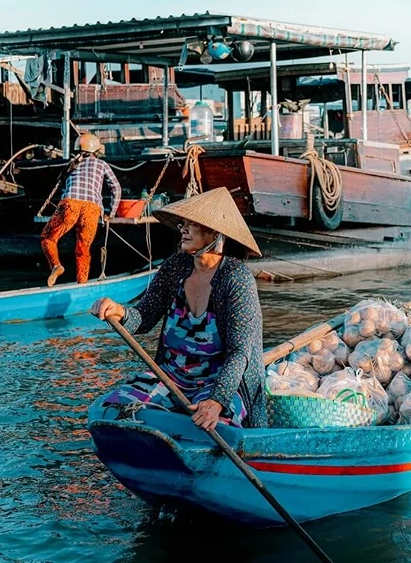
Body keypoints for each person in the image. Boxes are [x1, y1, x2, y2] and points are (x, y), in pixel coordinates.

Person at [90, 187, 267, 430]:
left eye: (192, 224)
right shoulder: (175, 267)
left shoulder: (236, 279)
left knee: (216, 427)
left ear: (216, 233)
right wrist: (119, 311)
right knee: (112, 412)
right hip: (170, 378)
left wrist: (217, 400)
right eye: (183, 223)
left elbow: (240, 352)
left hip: (218, 383)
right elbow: (144, 317)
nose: (183, 228)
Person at [40, 133, 121, 286]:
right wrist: (111, 212)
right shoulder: (102, 164)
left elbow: (64, 185)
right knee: (83, 248)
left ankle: (56, 265)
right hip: (92, 208)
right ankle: (82, 284)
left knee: (48, 238)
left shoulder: (72, 164)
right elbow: (116, 188)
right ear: (96, 150)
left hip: (70, 203)